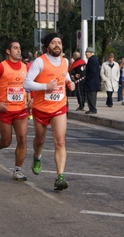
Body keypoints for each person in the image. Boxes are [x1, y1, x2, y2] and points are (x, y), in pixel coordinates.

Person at [23, 32, 75, 190]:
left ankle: (60, 177)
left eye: (59, 42)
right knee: (40, 140)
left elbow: (65, 76)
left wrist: (70, 83)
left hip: (59, 107)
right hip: (41, 108)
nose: (57, 45)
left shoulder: (65, 61)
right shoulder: (40, 62)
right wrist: (46, 86)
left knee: (60, 141)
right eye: (54, 43)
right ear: (47, 46)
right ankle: (37, 157)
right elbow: (26, 84)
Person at [0, 39, 29, 181]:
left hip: (21, 109)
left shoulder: (25, 67)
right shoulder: (1, 67)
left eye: (19, 48)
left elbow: (30, 85)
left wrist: (32, 98)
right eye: (15, 48)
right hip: (5, 109)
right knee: (6, 141)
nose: (19, 50)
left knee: (22, 139)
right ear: (8, 51)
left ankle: (17, 170)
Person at [82, 47, 101, 114]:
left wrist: (88, 79)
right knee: (92, 96)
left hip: (91, 82)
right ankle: (92, 108)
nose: (85, 54)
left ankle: (92, 109)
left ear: (90, 53)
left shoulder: (91, 60)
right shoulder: (94, 59)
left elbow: (92, 71)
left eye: (87, 53)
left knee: (91, 96)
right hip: (93, 82)